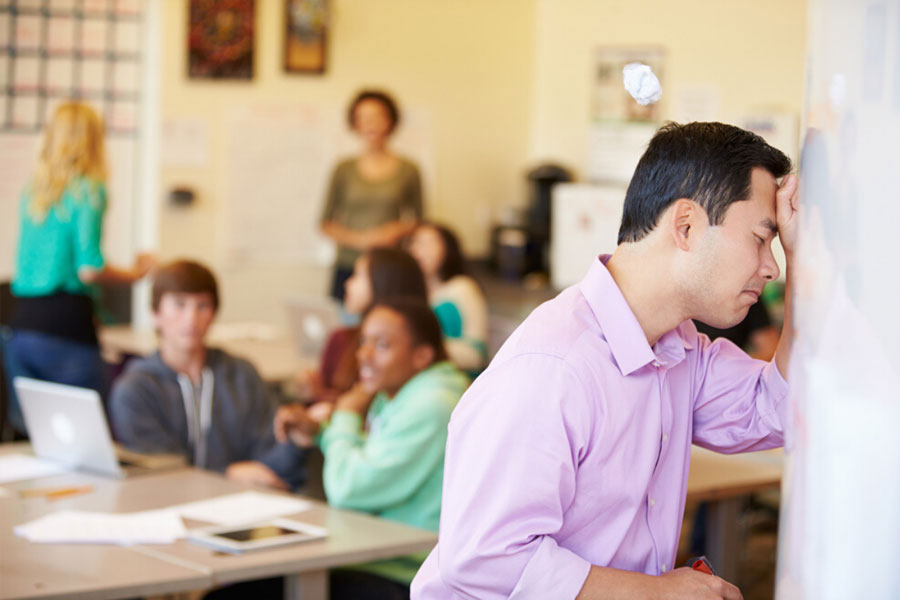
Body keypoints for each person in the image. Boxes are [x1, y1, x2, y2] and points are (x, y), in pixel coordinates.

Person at [412, 122, 799, 600]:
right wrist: (659, 593)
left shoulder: (678, 349)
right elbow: (483, 555)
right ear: (686, 226)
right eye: (763, 239)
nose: (772, 266)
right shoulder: (554, 366)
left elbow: (779, 409)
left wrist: (806, 266)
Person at [276, 298, 469, 599]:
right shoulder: (402, 392)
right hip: (377, 559)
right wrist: (322, 433)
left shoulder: (430, 405)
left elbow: (347, 489)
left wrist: (345, 415)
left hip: (405, 575)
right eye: (363, 341)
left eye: (381, 345)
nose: (363, 355)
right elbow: (377, 458)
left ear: (421, 356)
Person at [3, 102, 154, 436]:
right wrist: (136, 273)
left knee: (36, 434)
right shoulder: (89, 189)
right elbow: (89, 268)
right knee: (86, 434)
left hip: (20, 327)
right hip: (65, 327)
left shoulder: (35, 191)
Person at [109, 260, 306, 490]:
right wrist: (227, 474)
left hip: (241, 507)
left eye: (202, 305)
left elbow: (270, 462)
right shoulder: (136, 389)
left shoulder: (241, 375)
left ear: (214, 313)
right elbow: (162, 471)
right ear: (155, 313)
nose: (191, 318)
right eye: (179, 305)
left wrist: (295, 443)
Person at [320, 89, 424, 301]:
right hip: (348, 266)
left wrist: (394, 231)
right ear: (355, 124)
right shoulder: (343, 169)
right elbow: (325, 223)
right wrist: (362, 240)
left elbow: (420, 222)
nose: (370, 124)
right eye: (363, 118)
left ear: (390, 121)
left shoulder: (409, 170)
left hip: (391, 268)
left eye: (377, 117)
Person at [299, 246, 427, 408]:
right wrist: (314, 392)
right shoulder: (341, 338)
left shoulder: (408, 361)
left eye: (357, 276)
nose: (348, 283)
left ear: (383, 283)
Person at [407, 223, 489, 375]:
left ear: (447, 249)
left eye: (429, 243)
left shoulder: (464, 288)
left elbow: (477, 354)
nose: (420, 251)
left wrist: (421, 350)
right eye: (416, 242)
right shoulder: (411, 293)